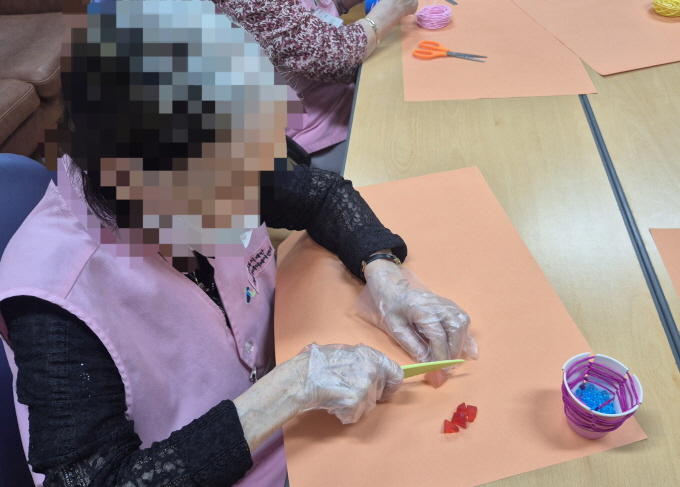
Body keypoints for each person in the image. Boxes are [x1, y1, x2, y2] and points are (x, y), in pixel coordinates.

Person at [0, 2, 475, 486]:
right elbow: (96, 478)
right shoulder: (55, 299)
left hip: (303, 436)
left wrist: (387, 277)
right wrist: (286, 391)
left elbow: (321, 196)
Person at [212, 0, 419, 173]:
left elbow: (311, 14)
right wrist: (390, 10)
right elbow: (336, 59)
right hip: (320, 131)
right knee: (414, 151)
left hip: (351, 91)